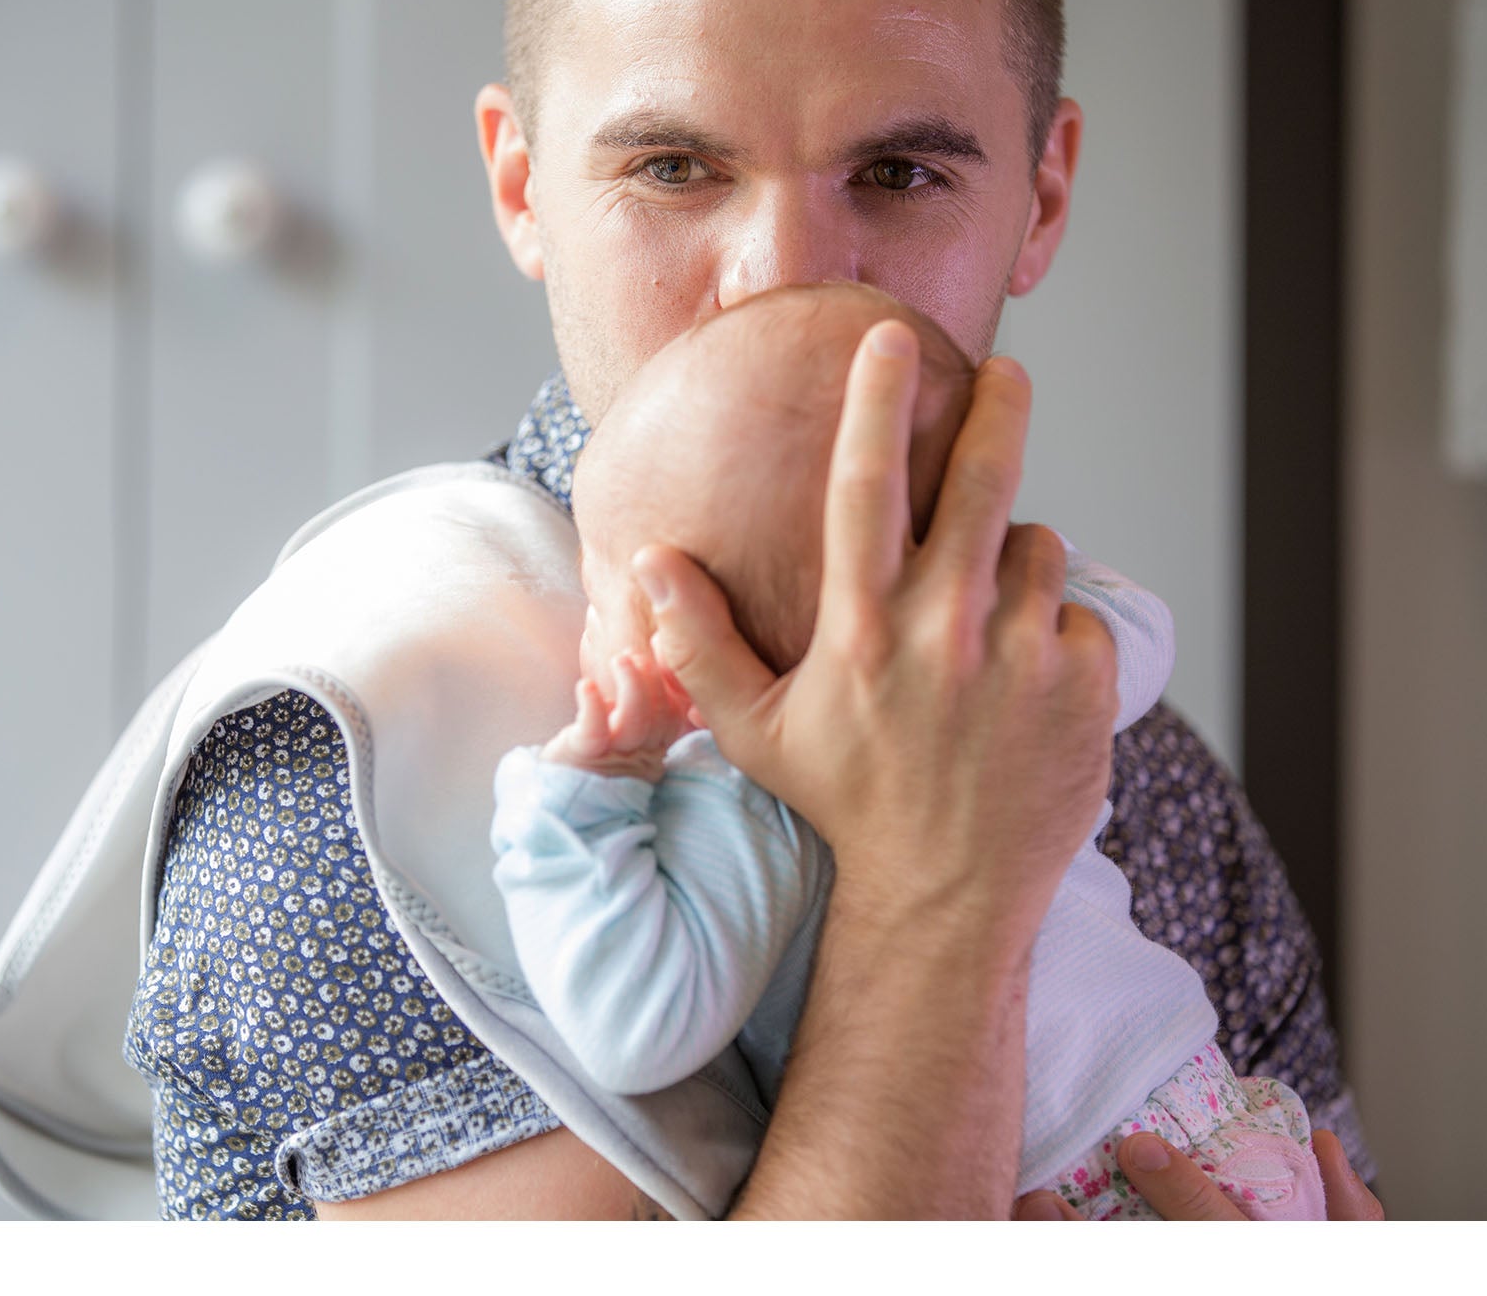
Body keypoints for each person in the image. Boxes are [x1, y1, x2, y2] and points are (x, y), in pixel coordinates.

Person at [122, 0, 1380, 1220]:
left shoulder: (1145, 761)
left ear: (1045, 195)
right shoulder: (362, 768)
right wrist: (933, 903)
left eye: (899, 173)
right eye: (673, 167)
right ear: (523, 186)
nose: (781, 278)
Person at [490, 280, 1324, 1219]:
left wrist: (580, 793)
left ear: (674, 649)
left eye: (598, 585)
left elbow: (635, 1027)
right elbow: (1142, 627)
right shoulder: (1033, 699)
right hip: (1224, 1127)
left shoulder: (742, 805)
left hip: (1070, 1197)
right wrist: (1016, 580)